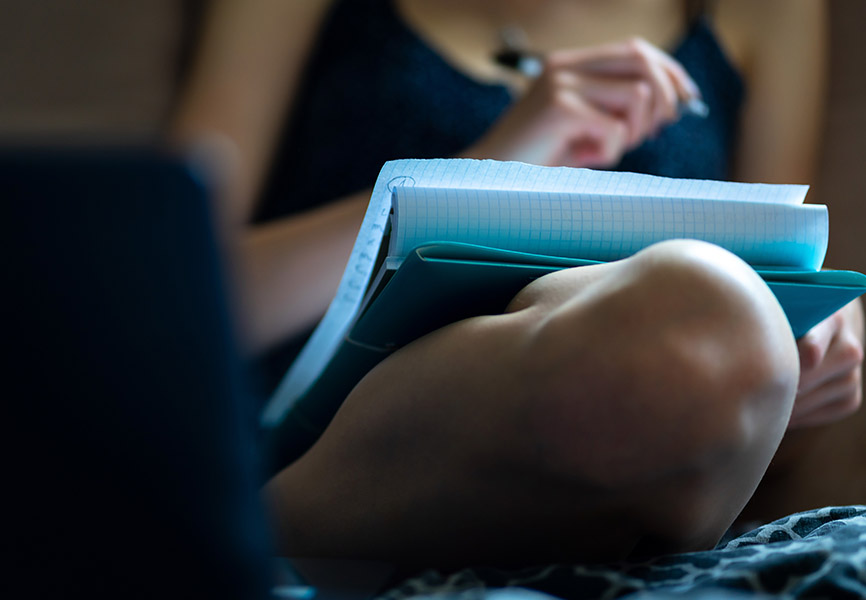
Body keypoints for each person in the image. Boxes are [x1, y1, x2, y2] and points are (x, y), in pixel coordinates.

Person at [172, 0, 863, 566]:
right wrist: (490, 163)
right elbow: (161, 293)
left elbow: (780, 294)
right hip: (319, 441)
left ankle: (260, 550)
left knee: (714, 326)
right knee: (699, 318)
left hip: (668, 423)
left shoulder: (766, 10)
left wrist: (812, 351)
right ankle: (267, 534)